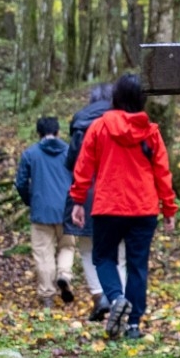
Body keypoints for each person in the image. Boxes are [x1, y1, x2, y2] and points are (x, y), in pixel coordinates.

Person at [67, 73, 177, 340]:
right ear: (142, 99)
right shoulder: (150, 132)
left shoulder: (100, 127)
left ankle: (116, 298)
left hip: (109, 206)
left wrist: (78, 200)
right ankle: (134, 325)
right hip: (144, 208)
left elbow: (84, 167)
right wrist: (169, 209)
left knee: (103, 257)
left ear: (116, 97)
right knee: (137, 265)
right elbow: (162, 172)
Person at [13, 116, 77, 304]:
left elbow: (21, 183)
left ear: (39, 133)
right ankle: (64, 275)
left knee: (43, 253)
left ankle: (47, 295)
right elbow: (79, 178)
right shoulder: (69, 152)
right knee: (67, 246)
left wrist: (30, 200)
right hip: (66, 209)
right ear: (58, 132)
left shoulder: (30, 154)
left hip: (41, 211)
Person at [64, 82, 114, 322]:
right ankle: (117, 298)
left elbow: (72, 161)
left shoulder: (81, 125)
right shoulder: (121, 122)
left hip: (86, 193)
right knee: (118, 249)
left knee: (87, 248)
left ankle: (99, 295)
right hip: (116, 192)